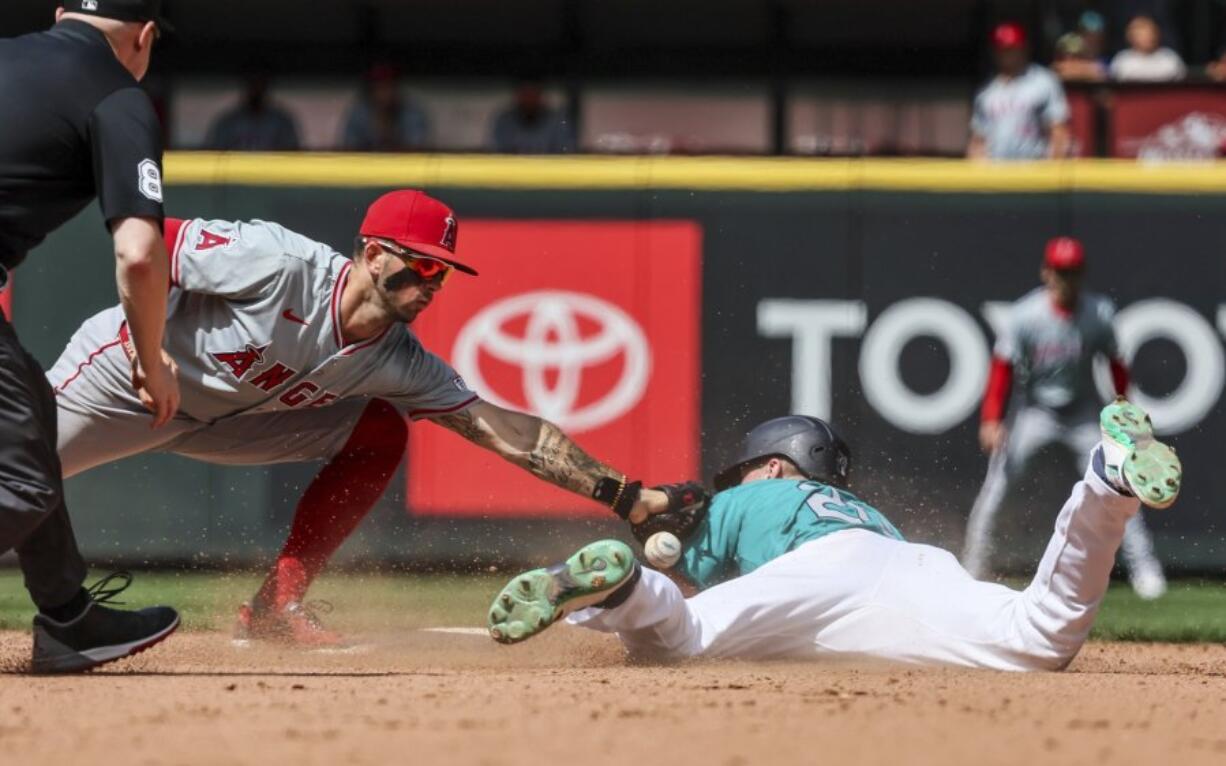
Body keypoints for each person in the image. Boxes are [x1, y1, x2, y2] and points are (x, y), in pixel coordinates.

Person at [47, 190, 691, 647]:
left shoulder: (397, 360)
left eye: (444, 270)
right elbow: (148, 245)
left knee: (380, 431)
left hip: (230, 419)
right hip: (123, 382)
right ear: (374, 253)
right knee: (17, 478)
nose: (434, 281)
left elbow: (509, 433)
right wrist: (148, 343)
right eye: (423, 263)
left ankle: (277, 605)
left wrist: (628, 496)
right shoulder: (279, 262)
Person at [487, 404, 1182, 671]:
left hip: (811, 577)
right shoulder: (858, 508)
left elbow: (692, 567)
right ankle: (1106, 482)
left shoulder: (751, 493)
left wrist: (652, 535)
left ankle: (624, 589)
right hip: (910, 562)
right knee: (1041, 635)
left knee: (679, 635)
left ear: (771, 463)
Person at [0, 0, 181, 673]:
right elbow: (139, 252)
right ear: (145, 36)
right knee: (18, 483)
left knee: (30, 413)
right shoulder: (117, 95)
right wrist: (150, 356)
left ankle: (70, 618)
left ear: (59, 13)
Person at [962, 237, 1167, 599]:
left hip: (1082, 412)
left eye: (1071, 273)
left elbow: (1116, 363)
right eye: (1059, 272)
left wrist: (1124, 405)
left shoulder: (1098, 313)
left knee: (1122, 482)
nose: (1065, 279)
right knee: (996, 488)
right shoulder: (1026, 315)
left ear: (1081, 274)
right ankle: (973, 568)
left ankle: (1146, 571)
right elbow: (1002, 369)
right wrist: (992, 419)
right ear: (1046, 272)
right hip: (1034, 412)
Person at [968, 22, 1071, 160]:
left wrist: (1053, 172)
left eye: (1012, 48)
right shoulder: (986, 91)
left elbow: (1058, 131)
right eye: (1002, 49)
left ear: (1024, 48)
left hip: (1034, 169)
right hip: (996, 172)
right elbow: (978, 141)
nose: (1007, 54)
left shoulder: (1044, 81)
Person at [339, 64, 431, 152]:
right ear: (371, 88)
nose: (384, 92)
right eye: (379, 86)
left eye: (388, 85)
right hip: (368, 165)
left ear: (396, 87)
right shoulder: (359, 114)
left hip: (401, 165)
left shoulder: (412, 113)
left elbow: (417, 150)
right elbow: (349, 149)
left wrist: (389, 134)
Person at [205, 72, 301, 151]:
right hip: (236, 172)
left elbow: (293, 153)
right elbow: (214, 153)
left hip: (272, 172)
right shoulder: (228, 122)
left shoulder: (282, 121)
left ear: (266, 85)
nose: (256, 88)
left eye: (260, 82)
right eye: (252, 83)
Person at [488, 81, 576, 154]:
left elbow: (566, 151)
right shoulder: (504, 121)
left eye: (533, 94)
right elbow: (496, 152)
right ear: (518, 96)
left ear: (540, 96)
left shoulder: (557, 121)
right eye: (525, 94)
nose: (529, 99)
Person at [1109, 15, 1185, 82]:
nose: (1146, 37)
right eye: (1140, 34)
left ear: (1156, 33)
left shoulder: (1170, 58)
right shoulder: (1122, 60)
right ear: (1130, 37)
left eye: (1149, 32)